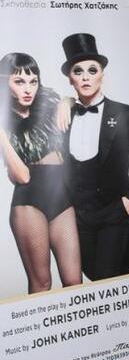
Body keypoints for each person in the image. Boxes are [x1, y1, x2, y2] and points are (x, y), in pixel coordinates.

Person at [59, 33, 129, 281]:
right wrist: (63, 101)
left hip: (117, 214)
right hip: (78, 220)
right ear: (70, 78)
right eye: (78, 71)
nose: (86, 77)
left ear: (102, 73)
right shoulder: (63, 117)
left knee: (113, 281)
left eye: (92, 70)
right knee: (92, 281)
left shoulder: (128, 115)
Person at [0, 52, 81, 294]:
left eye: (33, 81)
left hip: (61, 199)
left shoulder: (49, 105)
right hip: (29, 204)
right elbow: (22, 176)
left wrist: (67, 101)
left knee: (74, 281)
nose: (28, 89)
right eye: (19, 81)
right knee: (42, 283)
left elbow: (77, 104)